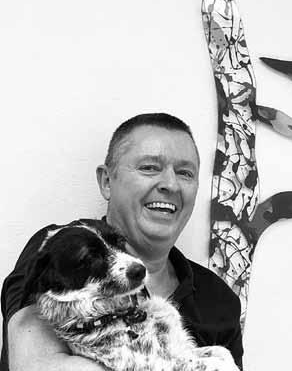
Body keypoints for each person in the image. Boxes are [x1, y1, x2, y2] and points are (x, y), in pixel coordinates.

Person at [1, 113, 243, 371]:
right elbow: (37, 365)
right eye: (149, 167)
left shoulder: (219, 298)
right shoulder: (59, 251)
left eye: (185, 173)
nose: (170, 184)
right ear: (107, 181)